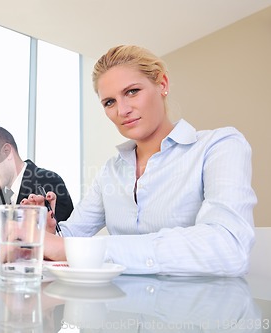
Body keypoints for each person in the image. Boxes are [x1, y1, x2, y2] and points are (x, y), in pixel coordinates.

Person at [20, 45, 257, 277]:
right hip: (121, 309)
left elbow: (229, 247)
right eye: (109, 102)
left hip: (201, 310)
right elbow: (70, 240)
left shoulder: (219, 145)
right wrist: (52, 232)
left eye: (132, 91)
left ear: (162, 84)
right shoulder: (110, 171)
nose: (122, 110)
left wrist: (77, 249)